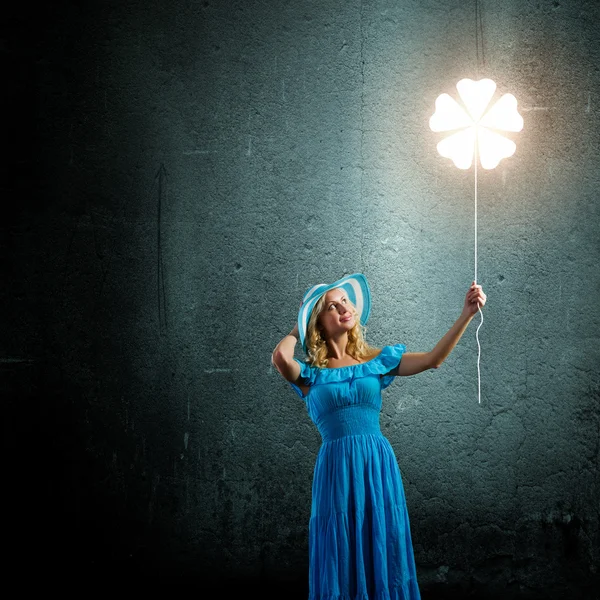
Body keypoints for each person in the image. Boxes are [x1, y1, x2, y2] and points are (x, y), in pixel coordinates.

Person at [271, 273, 487, 600]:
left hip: (376, 465)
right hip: (336, 471)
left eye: (345, 299)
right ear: (319, 322)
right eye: (332, 305)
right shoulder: (310, 376)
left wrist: (466, 315)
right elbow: (280, 358)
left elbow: (433, 360)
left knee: (382, 541)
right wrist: (299, 326)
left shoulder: (375, 361)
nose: (343, 306)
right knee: (339, 546)